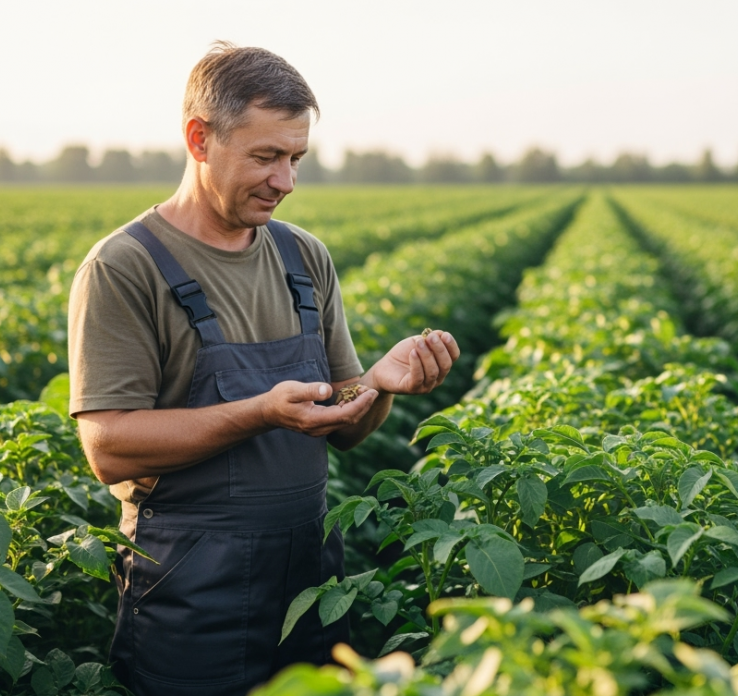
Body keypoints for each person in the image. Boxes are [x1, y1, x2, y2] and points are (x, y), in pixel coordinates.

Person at [66, 42, 460, 696]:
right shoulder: (125, 267)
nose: (286, 181)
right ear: (199, 139)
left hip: (311, 582)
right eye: (266, 157)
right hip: (190, 589)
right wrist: (259, 413)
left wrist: (378, 384)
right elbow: (108, 448)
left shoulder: (303, 256)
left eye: (295, 158)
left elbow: (344, 426)